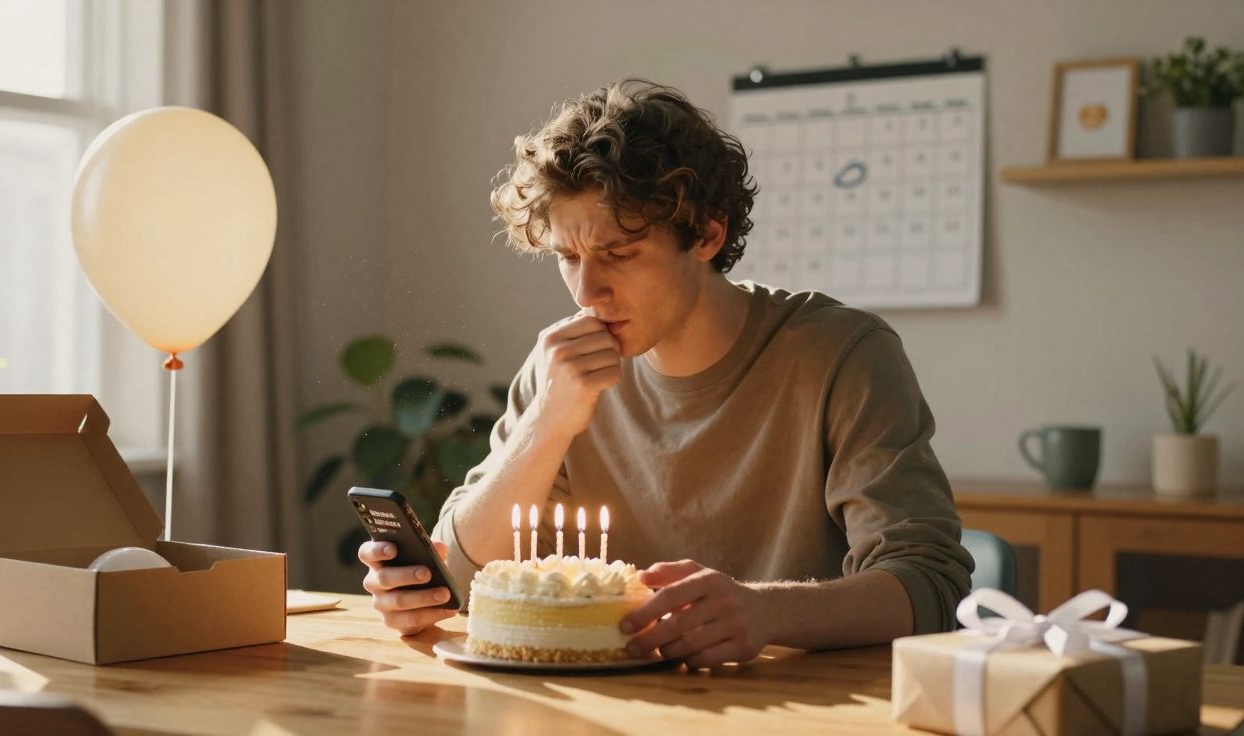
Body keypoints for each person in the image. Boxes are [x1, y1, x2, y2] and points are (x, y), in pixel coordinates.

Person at [359, 79, 972, 668]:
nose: (586, 291)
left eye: (619, 255)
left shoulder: (843, 354)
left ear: (707, 234)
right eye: (567, 258)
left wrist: (765, 612)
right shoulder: (561, 370)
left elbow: (929, 588)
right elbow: (458, 582)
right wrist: (546, 426)